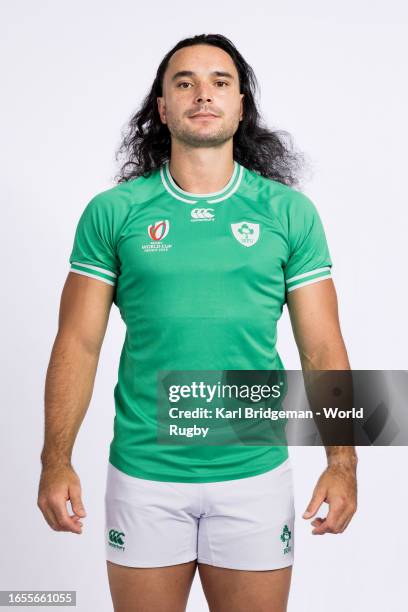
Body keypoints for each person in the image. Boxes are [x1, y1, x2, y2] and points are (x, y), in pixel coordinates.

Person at [37, 33, 358, 612]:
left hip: (253, 473)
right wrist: (54, 460)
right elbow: (79, 344)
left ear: (241, 106)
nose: (202, 94)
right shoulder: (116, 212)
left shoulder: (289, 214)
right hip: (144, 473)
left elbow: (322, 347)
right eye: (184, 83)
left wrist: (342, 462)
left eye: (220, 82)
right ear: (162, 108)